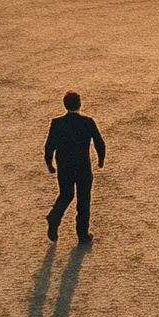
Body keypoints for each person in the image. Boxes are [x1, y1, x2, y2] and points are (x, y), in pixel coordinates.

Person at [43, 91, 105, 244]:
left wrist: (49, 164)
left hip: (64, 167)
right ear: (80, 104)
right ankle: (82, 234)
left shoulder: (57, 123)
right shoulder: (88, 122)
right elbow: (99, 142)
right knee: (83, 199)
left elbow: (49, 146)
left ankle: (54, 217)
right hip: (83, 167)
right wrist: (101, 159)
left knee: (66, 195)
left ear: (65, 105)